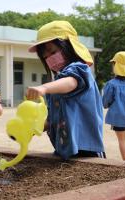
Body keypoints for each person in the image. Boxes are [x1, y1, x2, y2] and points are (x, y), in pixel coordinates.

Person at [26, 21, 105, 160]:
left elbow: (71, 82)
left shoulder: (79, 69)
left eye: (53, 51)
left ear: (68, 46)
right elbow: (52, 119)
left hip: (86, 150)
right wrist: (32, 129)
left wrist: (44, 88)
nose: (49, 58)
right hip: (64, 149)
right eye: (45, 56)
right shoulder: (56, 83)